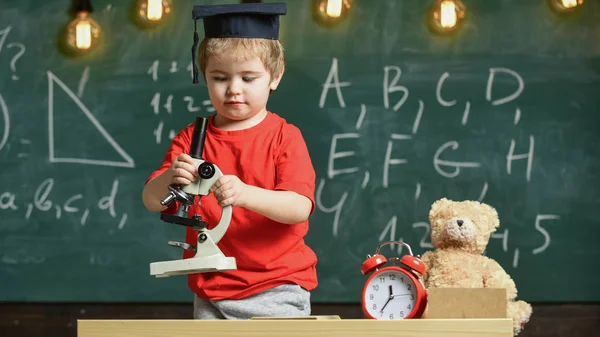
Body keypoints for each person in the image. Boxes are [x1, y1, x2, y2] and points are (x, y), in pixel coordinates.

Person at [141, 2, 318, 320]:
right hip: (211, 289)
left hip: (277, 287)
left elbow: (298, 208)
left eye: (248, 78)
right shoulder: (191, 139)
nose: (233, 89)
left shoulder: (285, 138)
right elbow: (153, 200)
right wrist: (170, 176)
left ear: (274, 77)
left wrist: (245, 194)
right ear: (204, 77)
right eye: (220, 77)